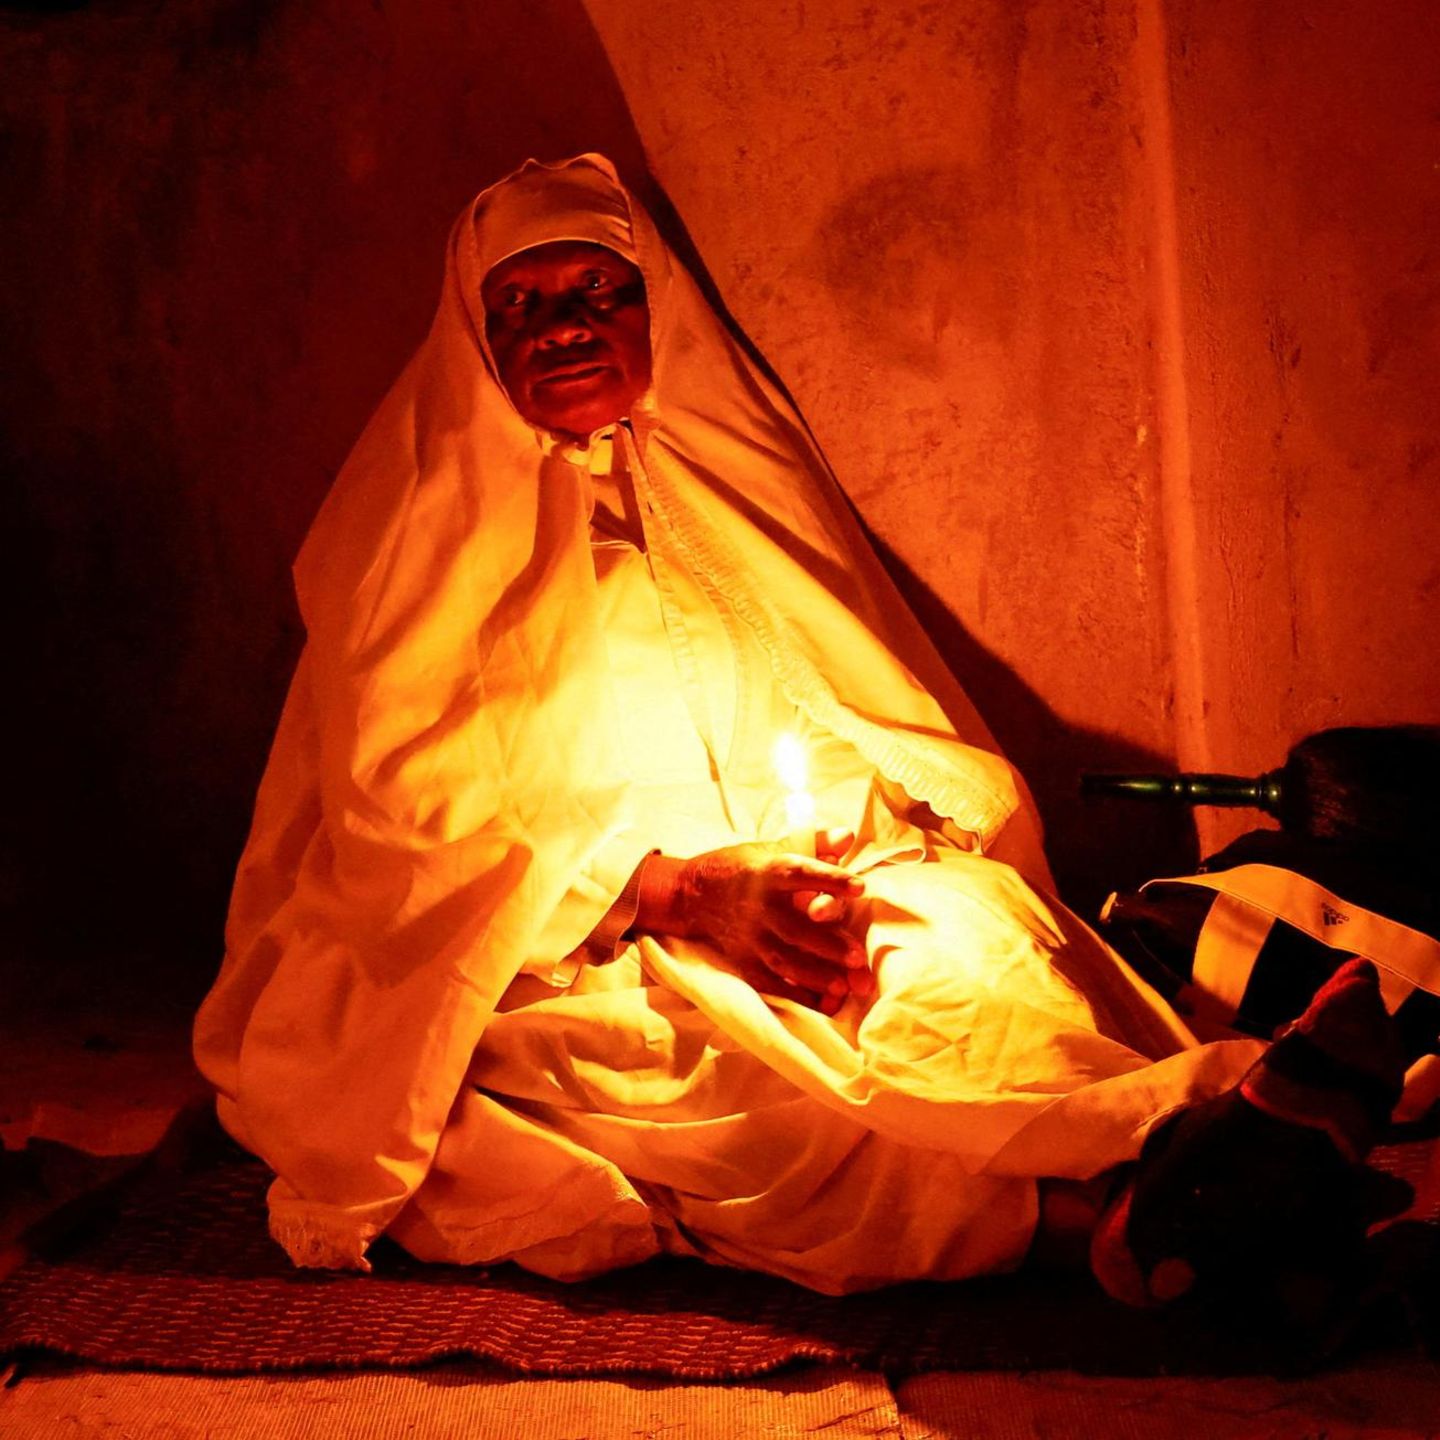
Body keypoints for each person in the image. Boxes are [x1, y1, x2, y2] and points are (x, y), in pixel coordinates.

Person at [194, 154, 1388, 1300]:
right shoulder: (414, 538)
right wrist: (677, 896)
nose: (562, 325)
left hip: (782, 878)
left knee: (968, 953)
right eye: (522, 307)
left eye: (598, 293)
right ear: (477, 340)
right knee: (736, 1099)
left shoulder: (718, 481)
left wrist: (825, 874)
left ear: (652, 314)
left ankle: (1186, 1157)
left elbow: (835, 706)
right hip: (538, 949)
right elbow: (409, 831)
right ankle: (1145, 1220)